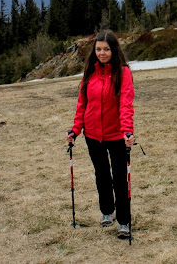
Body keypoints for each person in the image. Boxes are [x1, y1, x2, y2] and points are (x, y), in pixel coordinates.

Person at [66, 30, 136, 239]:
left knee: (120, 179)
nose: (102, 53)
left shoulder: (123, 73)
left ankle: (124, 222)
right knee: (102, 176)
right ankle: (107, 212)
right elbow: (82, 104)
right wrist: (76, 128)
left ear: (114, 50)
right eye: (98, 49)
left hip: (116, 135)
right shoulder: (90, 71)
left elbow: (126, 104)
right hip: (93, 134)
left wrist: (127, 131)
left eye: (106, 49)